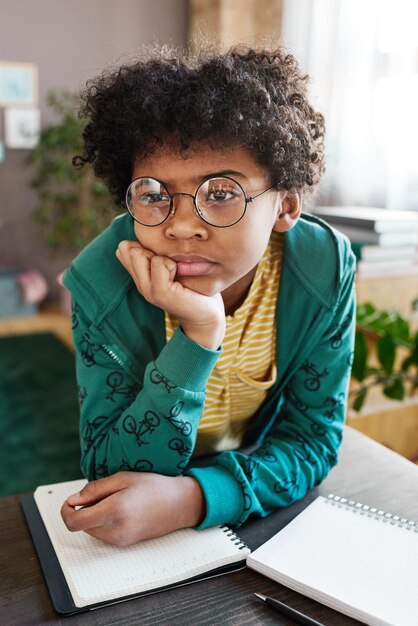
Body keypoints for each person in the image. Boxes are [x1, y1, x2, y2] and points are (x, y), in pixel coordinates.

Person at [60, 44, 356, 547]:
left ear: (285, 206)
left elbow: (311, 441)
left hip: (252, 510)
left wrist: (194, 498)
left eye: (220, 194)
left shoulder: (323, 268)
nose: (179, 226)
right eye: (153, 194)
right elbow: (111, 470)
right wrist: (197, 336)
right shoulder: (102, 280)